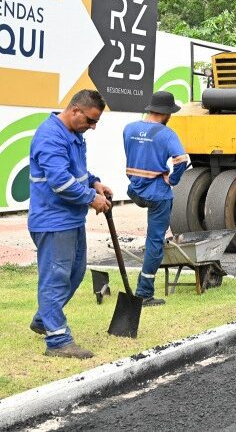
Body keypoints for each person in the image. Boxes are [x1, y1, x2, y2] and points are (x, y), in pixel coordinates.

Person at [28, 89, 113, 359]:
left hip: (71, 219)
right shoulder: (50, 136)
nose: (93, 127)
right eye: (90, 120)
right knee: (55, 279)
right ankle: (57, 340)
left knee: (75, 274)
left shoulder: (74, 134)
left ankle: (43, 319)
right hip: (53, 221)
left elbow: (76, 172)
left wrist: (94, 182)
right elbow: (60, 182)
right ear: (75, 110)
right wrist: (91, 198)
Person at [123, 91, 188, 306]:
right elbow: (181, 160)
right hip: (158, 194)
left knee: (153, 238)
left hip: (135, 191)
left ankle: (143, 289)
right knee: (154, 242)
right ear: (166, 113)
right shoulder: (167, 134)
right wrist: (173, 180)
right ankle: (144, 292)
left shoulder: (129, 129)